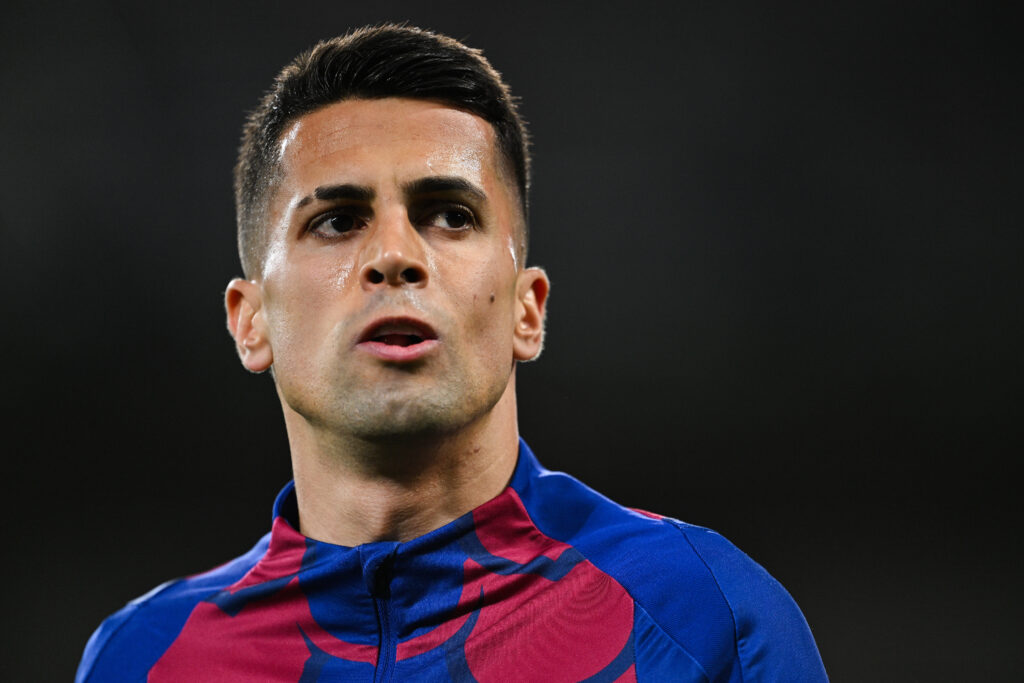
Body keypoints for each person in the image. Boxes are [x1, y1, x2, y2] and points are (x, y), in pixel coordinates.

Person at [76, 24, 827, 682]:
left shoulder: (703, 620)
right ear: (251, 321)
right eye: (338, 221)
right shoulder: (140, 658)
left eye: (449, 214)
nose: (395, 255)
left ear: (527, 311)